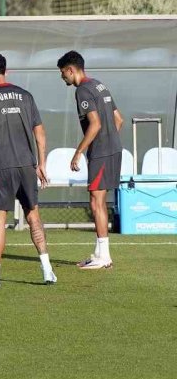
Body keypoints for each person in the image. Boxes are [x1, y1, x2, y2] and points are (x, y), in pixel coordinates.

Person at [0, 54, 57, 287]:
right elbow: (40, 132)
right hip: (27, 165)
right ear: (6, 71)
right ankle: (47, 270)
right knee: (33, 215)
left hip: (0, 166)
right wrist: (41, 164)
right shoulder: (26, 96)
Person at [58, 50, 124, 269]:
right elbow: (118, 119)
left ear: (70, 69)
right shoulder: (99, 85)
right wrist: (110, 140)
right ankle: (99, 253)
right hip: (113, 149)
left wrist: (79, 152)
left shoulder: (83, 90)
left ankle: (104, 257)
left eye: (62, 73)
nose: (62, 78)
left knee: (96, 201)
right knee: (98, 200)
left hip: (102, 152)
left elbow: (95, 124)